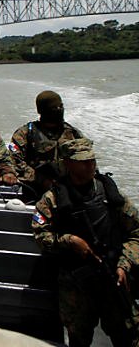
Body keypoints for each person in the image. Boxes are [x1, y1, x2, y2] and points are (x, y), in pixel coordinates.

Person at [32, 138, 139, 347]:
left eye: (92, 160)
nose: (91, 165)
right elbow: (40, 236)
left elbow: (136, 233)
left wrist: (123, 265)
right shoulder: (52, 200)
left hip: (112, 280)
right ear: (68, 164)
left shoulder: (110, 195)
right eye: (83, 161)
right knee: (78, 340)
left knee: (129, 337)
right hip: (76, 286)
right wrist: (68, 241)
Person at [9, 90, 88, 198]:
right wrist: (42, 180)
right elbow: (14, 162)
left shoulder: (73, 134)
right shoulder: (26, 134)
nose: (59, 110)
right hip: (35, 192)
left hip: (69, 192)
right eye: (54, 108)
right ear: (42, 111)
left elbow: (88, 162)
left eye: (61, 106)